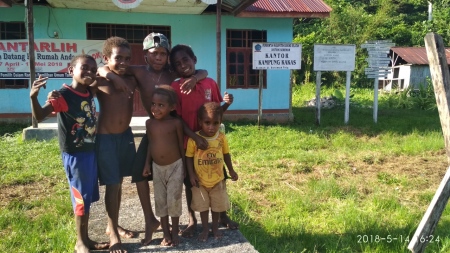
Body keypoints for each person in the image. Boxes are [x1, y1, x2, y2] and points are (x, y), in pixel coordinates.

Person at [97, 32, 208, 245]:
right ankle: (150, 219)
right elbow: (104, 68)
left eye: (163, 54)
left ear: (168, 57)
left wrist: (195, 78)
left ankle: (192, 218)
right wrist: (110, 76)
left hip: (175, 127)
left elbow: (202, 70)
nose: (158, 57)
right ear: (145, 56)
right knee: (139, 173)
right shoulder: (137, 71)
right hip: (153, 129)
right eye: (154, 53)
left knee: (183, 172)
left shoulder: (172, 71)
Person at [30, 55, 109, 253]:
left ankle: (87, 239)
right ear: (70, 70)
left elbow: (100, 79)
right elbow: (39, 116)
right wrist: (33, 96)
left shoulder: (89, 90)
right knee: (80, 200)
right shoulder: (63, 95)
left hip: (90, 152)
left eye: (93, 69)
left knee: (87, 198)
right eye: (85, 68)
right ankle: (79, 243)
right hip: (75, 156)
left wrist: (95, 77)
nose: (90, 72)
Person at [169, 44, 237, 238]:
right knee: (191, 182)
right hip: (188, 143)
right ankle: (192, 220)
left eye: (186, 60)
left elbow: (217, 112)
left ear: (194, 60)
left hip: (212, 143)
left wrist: (227, 104)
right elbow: (177, 117)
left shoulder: (209, 83)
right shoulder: (176, 87)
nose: (183, 65)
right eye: (177, 64)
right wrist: (194, 136)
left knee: (219, 178)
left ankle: (223, 215)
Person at [95, 36, 138, 253]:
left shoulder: (131, 78)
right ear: (106, 58)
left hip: (125, 136)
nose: (123, 62)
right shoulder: (99, 80)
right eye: (117, 58)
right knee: (112, 184)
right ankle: (112, 233)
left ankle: (113, 224)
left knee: (119, 183)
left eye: (127, 58)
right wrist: (108, 74)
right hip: (106, 138)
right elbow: (94, 73)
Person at [185, 102, 238, 242]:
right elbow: (189, 157)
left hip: (218, 180)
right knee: (202, 207)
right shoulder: (194, 139)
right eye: (207, 122)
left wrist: (231, 170)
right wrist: (191, 174)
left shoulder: (221, 138)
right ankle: (204, 229)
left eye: (215, 123)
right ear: (200, 122)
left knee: (216, 205)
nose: (211, 127)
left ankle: (215, 227)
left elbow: (226, 154)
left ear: (220, 122)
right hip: (199, 181)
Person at [142, 85, 185, 246]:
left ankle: (175, 232)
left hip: (176, 166)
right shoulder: (149, 123)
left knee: (174, 199)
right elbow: (150, 144)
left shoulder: (176, 123)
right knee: (160, 200)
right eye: (153, 104)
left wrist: (185, 169)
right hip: (157, 167)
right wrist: (147, 164)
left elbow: (181, 146)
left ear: (172, 107)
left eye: (161, 105)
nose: (156, 108)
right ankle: (165, 233)